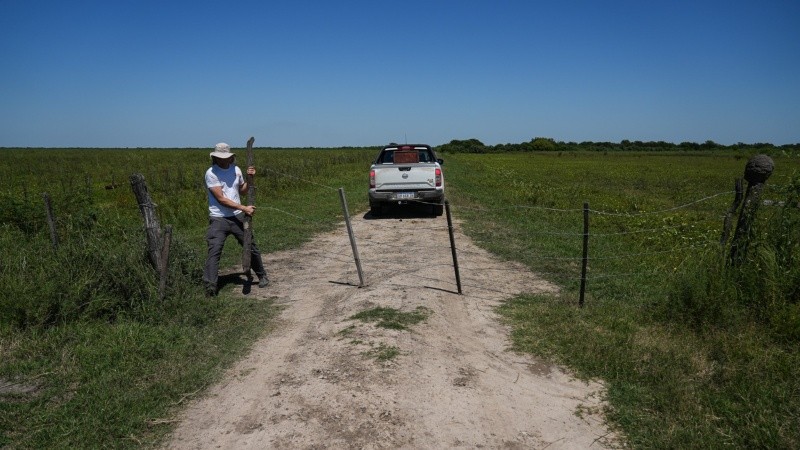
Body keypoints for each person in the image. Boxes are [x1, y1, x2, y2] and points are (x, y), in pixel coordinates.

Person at [203, 142, 269, 296]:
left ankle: (262, 275)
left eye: (225, 157)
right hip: (218, 218)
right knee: (214, 250)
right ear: (215, 158)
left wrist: (250, 178)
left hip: (237, 216)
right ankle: (210, 286)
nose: (222, 160)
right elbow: (221, 199)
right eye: (219, 157)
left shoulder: (236, 169)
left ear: (230, 157)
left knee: (250, 245)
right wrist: (244, 208)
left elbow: (243, 190)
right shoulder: (211, 173)